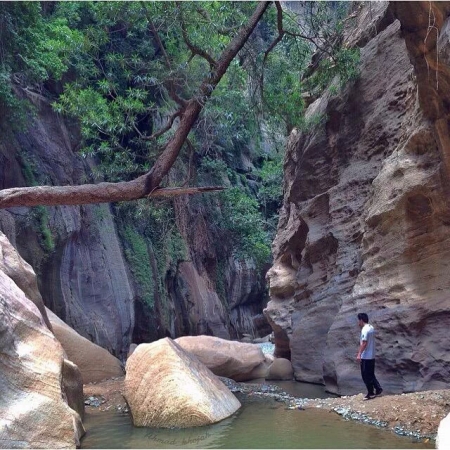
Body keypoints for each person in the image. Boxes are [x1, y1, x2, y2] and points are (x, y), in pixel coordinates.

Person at [357, 312, 383, 400]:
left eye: (358, 321)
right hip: (372, 356)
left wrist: (359, 354)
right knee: (371, 374)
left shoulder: (365, 330)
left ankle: (371, 393)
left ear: (361, 320)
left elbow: (364, 343)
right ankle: (378, 389)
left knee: (365, 375)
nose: (358, 323)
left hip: (366, 356)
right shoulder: (371, 327)